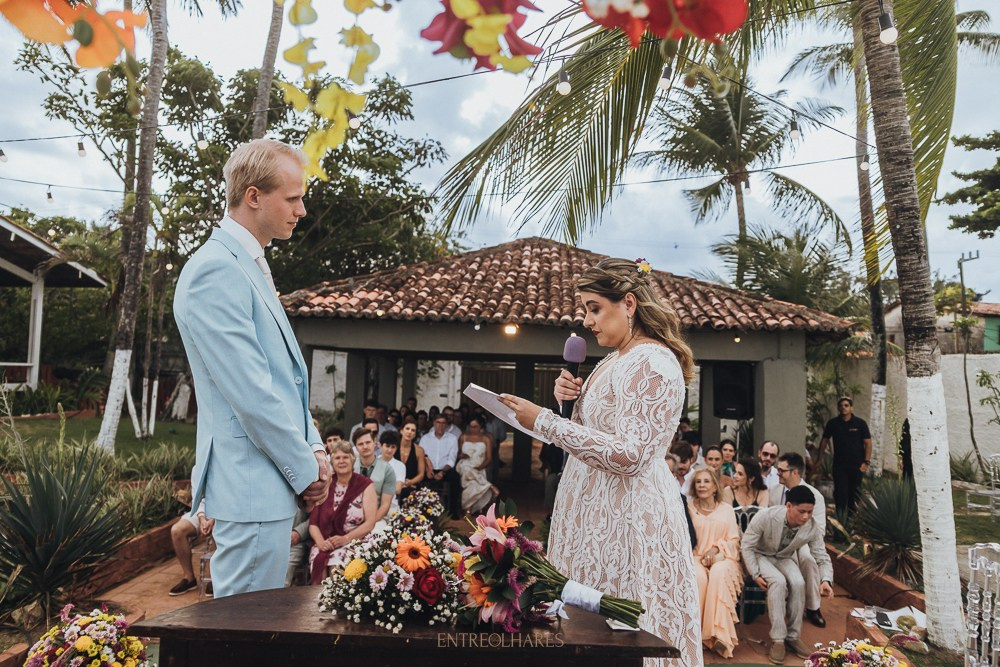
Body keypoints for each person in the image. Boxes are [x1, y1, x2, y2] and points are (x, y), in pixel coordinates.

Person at [499, 257, 703, 666]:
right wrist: (567, 403)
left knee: (621, 634)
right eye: (585, 309)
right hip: (592, 516)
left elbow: (630, 455)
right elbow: (592, 437)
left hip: (628, 519)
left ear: (629, 303)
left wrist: (545, 422)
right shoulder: (613, 359)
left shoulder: (652, 362)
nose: (587, 321)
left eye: (595, 308)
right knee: (583, 632)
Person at [173, 138, 330, 598]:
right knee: (243, 628)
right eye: (293, 198)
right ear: (254, 196)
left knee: (258, 625)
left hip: (265, 487)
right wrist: (308, 472)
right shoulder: (216, 270)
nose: (301, 210)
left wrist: (316, 448)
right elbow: (253, 395)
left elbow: (286, 383)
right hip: (250, 489)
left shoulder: (248, 264)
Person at [741, 485, 834, 665]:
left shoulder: (812, 526)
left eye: (809, 512)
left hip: (784, 557)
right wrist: (755, 573)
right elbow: (747, 545)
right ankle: (778, 640)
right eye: (802, 511)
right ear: (789, 506)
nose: (806, 516)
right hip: (761, 556)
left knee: (799, 582)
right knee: (778, 581)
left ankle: (793, 637)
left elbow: (821, 556)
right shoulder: (766, 516)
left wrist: (825, 580)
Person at [688, 469, 743, 659]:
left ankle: (719, 635)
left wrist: (716, 549)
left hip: (723, 556)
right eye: (698, 482)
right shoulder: (688, 507)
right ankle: (697, 636)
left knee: (718, 574)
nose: (702, 485)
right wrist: (702, 556)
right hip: (695, 556)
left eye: (706, 481)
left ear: (714, 487)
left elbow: (734, 540)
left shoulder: (726, 509)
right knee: (699, 578)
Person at [771, 452, 827, 628]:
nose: (778, 473)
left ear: (794, 472)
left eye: (781, 470)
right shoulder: (774, 491)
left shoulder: (815, 496)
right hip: (776, 540)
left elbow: (819, 530)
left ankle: (813, 607)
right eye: (778, 469)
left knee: (807, 558)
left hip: (803, 541)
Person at [308, 442, 377, 584]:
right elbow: (313, 524)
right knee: (318, 559)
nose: (341, 461)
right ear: (332, 462)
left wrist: (346, 539)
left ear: (352, 459)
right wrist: (321, 543)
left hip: (355, 540)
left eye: (345, 457)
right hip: (326, 541)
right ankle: (318, 597)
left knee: (337, 566)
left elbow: (370, 523)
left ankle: (339, 597)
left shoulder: (365, 485)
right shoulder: (326, 484)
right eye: (337, 458)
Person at [817, 396, 872, 514]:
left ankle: (851, 518)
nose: (843, 408)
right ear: (838, 408)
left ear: (851, 408)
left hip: (857, 466)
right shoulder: (833, 423)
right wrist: (819, 459)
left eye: (846, 405)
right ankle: (841, 519)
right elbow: (824, 440)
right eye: (841, 406)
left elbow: (868, 443)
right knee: (840, 493)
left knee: (854, 494)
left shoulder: (860, 423)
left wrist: (866, 462)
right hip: (840, 465)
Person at [168, 498, 213, 596]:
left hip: (223, 513)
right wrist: (201, 518)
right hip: (201, 511)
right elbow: (198, 498)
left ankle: (213, 578)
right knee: (177, 531)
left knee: (217, 530)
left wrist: (214, 519)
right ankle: (189, 578)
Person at [456, 415, 499, 513]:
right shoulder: (463, 437)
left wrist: (480, 467)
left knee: (473, 483)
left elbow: (489, 458)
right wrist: (462, 455)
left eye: (475, 427)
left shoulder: (486, 439)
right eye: (471, 426)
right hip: (465, 464)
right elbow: (458, 454)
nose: (473, 429)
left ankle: (468, 510)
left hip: (479, 466)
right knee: (466, 469)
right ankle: (489, 486)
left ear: (481, 426)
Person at [421, 413, 461, 518]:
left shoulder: (452, 438)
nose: (440, 426)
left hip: (445, 469)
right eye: (438, 422)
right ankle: (421, 509)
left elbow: (452, 459)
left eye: (443, 423)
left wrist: (442, 472)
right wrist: (428, 470)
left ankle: (452, 512)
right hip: (428, 469)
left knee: (455, 478)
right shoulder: (425, 438)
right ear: (433, 423)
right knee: (418, 477)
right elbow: (422, 456)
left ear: (447, 425)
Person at [353, 428, 396, 524]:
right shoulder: (349, 466)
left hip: (376, 519)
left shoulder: (387, 470)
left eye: (368, 442)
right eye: (360, 444)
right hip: (350, 518)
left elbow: (385, 505)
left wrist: (368, 523)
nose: (365, 447)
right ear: (356, 447)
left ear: (375, 443)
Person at [722, 458, 769, 533]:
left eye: (740, 474)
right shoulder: (728, 491)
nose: (734, 476)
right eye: (735, 472)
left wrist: (748, 537)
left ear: (751, 478)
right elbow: (729, 519)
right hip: (733, 534)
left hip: (755, 535)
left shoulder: (762, 492)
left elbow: (761, 520)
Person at [395, 419, 426, 497]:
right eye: (407, 429)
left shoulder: (419, 450)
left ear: (415, 434)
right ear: (401, 431)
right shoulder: (393, 447)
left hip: (411, 487)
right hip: (393, 485)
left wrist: (410, 482)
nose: (409, 432)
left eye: (413, 430)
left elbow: (421, 474)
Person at [379, 430, 408, 505]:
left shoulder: (400, 466)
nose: (389, 450)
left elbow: (397, 489)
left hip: (391, 504)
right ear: (381, 446)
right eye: (387, 446)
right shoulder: (373, 461)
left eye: (393, 447)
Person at [286, 507, 311, 587]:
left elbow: (315, 517)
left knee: (285, 570)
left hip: (296, 541)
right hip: (267, 537)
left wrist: (298, 532)